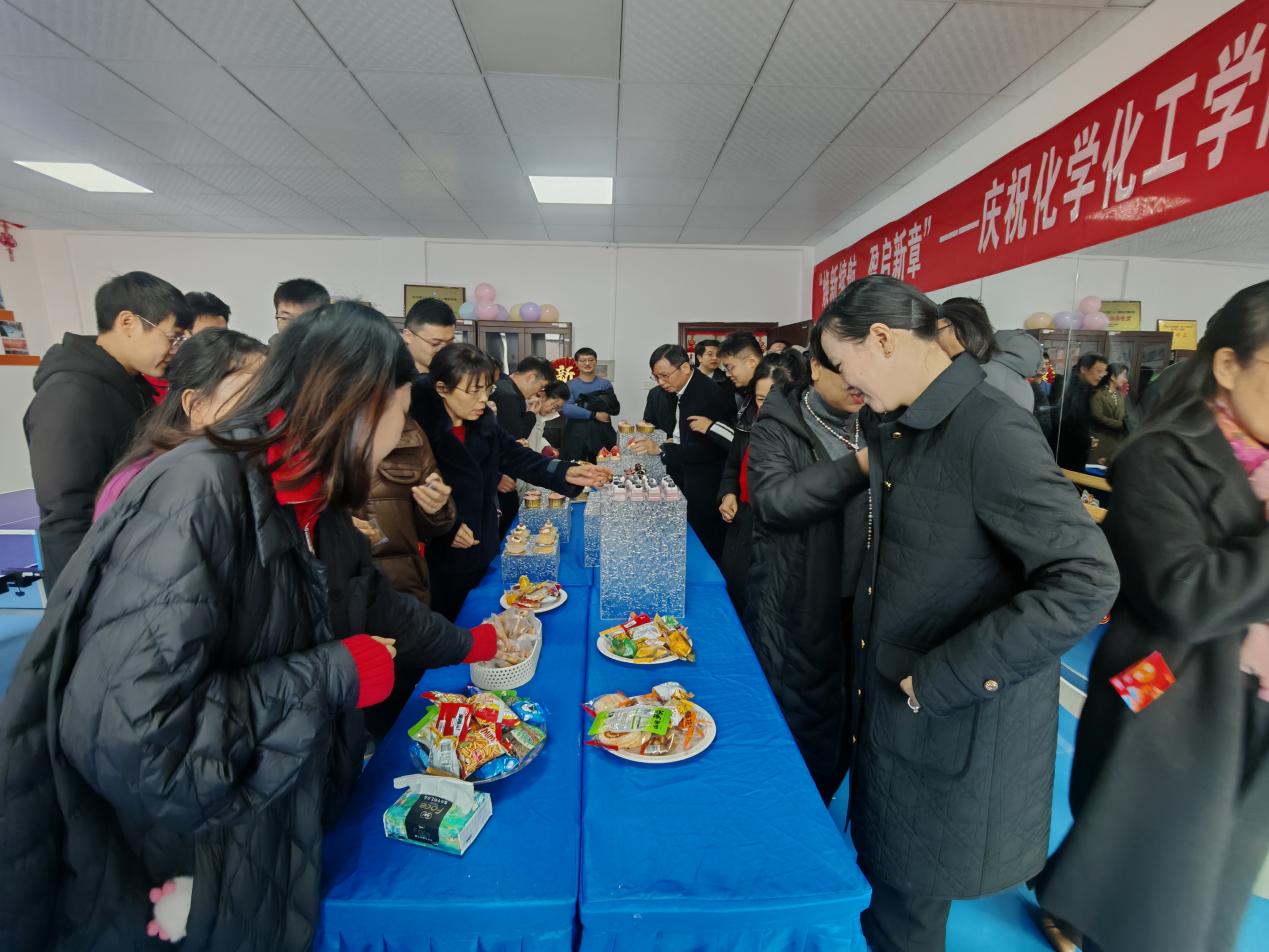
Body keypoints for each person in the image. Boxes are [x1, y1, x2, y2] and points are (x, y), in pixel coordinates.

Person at [0, 301, 498, 952]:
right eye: (399, 416)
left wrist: (475, 643)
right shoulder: (199, 492)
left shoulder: (312, 495)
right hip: (186, 858)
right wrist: (334, 673)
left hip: (276, 820)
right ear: (360, 407)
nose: (397, 439)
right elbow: (135, 736)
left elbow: (374, 599)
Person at [816, 275, 1119, 952]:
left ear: (883, 339)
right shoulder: (907, 426)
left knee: (907, 913)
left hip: (941, 710)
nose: (846, 382)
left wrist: (942, 678)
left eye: (843, 362)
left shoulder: (989, 430)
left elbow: (1085, 580)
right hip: (898, 704)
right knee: (891, 898)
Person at [1035, 283, 1269, 952]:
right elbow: (1185, 596)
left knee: (1203, 861)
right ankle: (1077, 909)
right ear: (1228, 366)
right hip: (1168, 681)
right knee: (1149, 857)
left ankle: (1071, 903)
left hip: (1248, 696)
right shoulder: (1159, 457)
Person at [746, 324, 868, 801]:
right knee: (802, 722)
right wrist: (859, 466)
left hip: (865, 602)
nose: (859, 384)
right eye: (847, 373)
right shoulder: (779, 424)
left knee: (852, 722)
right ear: (816, 366)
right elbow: (775, 501)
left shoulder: (878, 418)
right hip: (799, 599)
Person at [24, 271, 194, 591]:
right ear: (128, 323)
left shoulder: (131, 386)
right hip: (96, 579)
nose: (176, 349)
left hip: (131, 562)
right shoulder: (70, 395)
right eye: (172, 337)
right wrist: (79, 597)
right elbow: (66, 515)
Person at [413, 344, 609, 620]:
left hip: (483, 542)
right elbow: (403, 501)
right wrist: (445, 527)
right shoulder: (416, 432)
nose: (483, 400)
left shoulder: (482, 422)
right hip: (439, 556)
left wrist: (565, 471)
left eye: (487, 389)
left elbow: (517, 456)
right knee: (451, 621)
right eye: (473, 391)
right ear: (442, 388)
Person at [94, 328, 267, 521]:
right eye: (250, 397)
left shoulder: (219, 469)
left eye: (268, 395)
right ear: (196, 405)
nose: (266, 410)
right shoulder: (173, 485)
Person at [717, 350, 808, 618]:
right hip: (742, 523)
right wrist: (728, 494)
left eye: (775, 399)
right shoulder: (747, 421)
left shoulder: (805, 434)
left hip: (778, 533)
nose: (765, 407)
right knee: (733, 601)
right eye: (759, 399)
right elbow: (732, 465)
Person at [631, 344, 736, 561]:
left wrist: (662, 448)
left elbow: (712, 450)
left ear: (685, 368)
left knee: (704, 543)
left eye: (665, 376)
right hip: (684, 472)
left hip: (706, 482)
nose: (661, 382)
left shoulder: (708, 394)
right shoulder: (680, 390)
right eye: (656, 377)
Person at [938, 297, 1043, 411]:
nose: (932, 338)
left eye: (937, 330)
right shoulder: (997, 371)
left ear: (962, 328)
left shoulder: (980, 377)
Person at [492, 355, 555, 536]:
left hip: (497, 473)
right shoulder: (509, 395)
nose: (538, 392)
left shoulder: (505, 386)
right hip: (501, 475)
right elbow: (515, 437)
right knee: (507, 524)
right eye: (540, 386)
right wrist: (531, 415)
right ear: (531, 377)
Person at [560, 347, 620, 461]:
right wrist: (594, 414)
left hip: (600, 433)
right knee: (575, 466)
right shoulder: (570, 385)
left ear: (596, 362)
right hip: (575, 434)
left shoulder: (605, 384)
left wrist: (580, 406)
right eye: (583, 360)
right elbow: (568, 409)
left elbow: (611, 408)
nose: (587, 363)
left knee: (601, 466)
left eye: (591, 360)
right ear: (576, 363)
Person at [1056, 352, 1109, 471]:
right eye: (1098, 371)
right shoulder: (1074, 391)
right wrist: (1086, 441)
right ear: (1084, 369)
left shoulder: (1085, 388)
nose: (1101, 375)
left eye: (1104, 372)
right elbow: (1069, 422)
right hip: (1067, 453)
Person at [1089, 362, 1130, 465]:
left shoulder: (1120, 396)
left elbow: (1124, 415)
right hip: (1101, 442)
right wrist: (1121, 425)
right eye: (1123, 375)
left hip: (1115, 445)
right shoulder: (1099, 394)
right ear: (1112, 377)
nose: (1125, 379)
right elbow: (1098, 417)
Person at [402, 297, 456, 374]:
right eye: (435, 343)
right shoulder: (390, 376)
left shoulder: (458, 374)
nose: (443, 350)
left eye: (450, 343)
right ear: (408, 336)